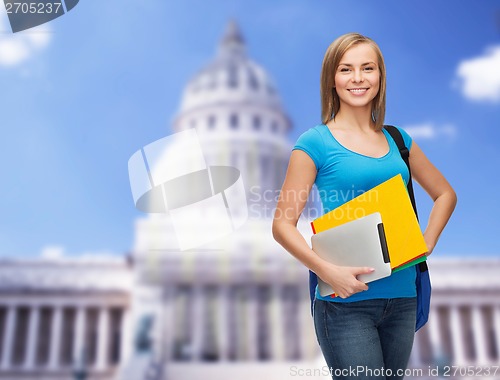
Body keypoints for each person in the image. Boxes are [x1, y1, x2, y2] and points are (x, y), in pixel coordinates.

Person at [272, 33, 457, 379]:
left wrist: (426, 242)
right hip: (345, 304)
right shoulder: (315, 142)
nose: (358, 78)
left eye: (367, 68)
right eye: (346, 69)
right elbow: (282, 225)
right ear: (332, 79)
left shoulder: (399, 140)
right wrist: (327, 271)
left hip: (402, 298)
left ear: (380, 77)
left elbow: (445, 194)